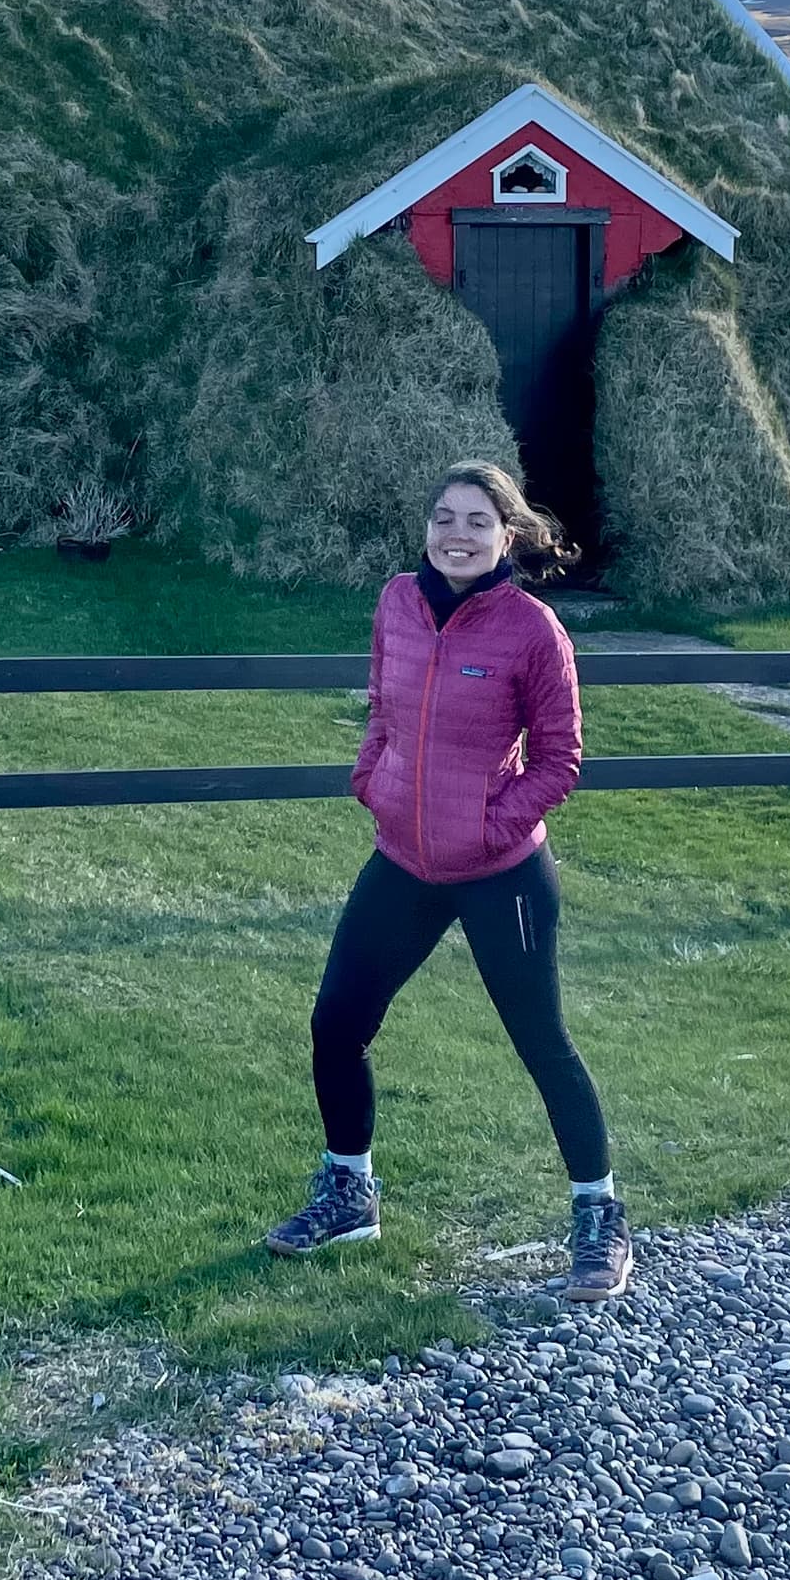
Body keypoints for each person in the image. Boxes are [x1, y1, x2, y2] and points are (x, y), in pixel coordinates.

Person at [265, 460, 629, 1302]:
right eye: (443, 518)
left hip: (501, 873)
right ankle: (349, 1194)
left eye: (476, 521)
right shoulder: (396, 601)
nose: (456, 536)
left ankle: (598, 1217)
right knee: (336, 1023)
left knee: (543, 1045)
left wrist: (488, 827)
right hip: (403, 862)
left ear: (509, 535)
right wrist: (373, 781)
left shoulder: (533, 630)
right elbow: (383, 710)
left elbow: (560, 759)